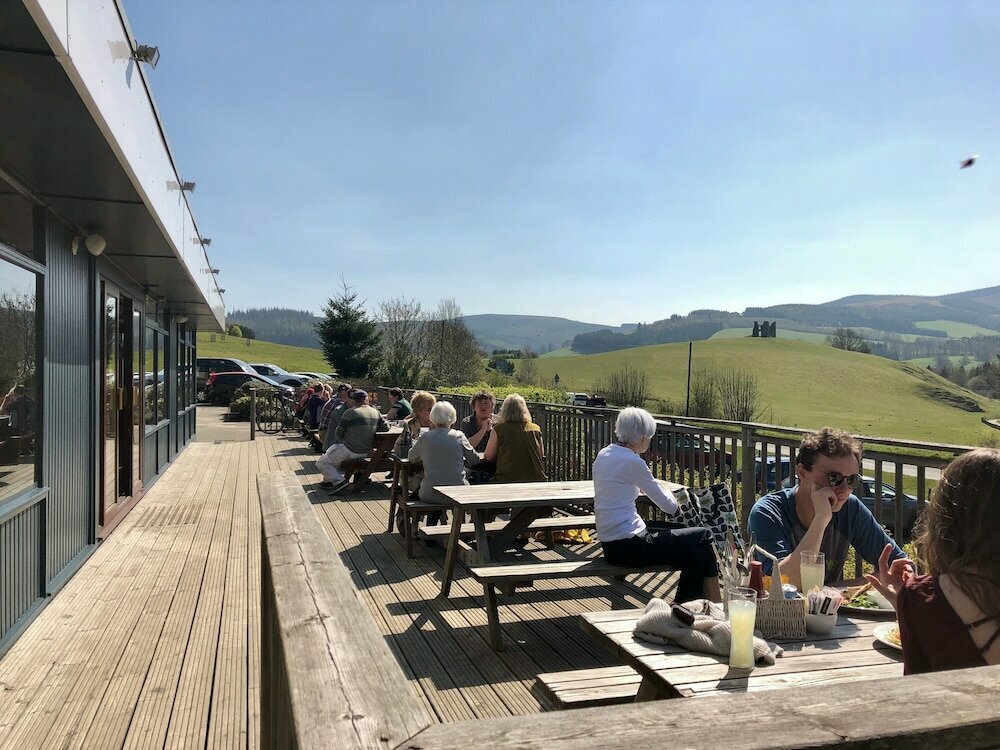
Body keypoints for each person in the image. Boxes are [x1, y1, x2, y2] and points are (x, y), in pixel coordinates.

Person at [866, 449, 1000, 675]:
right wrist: (905, 607)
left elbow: (919, 685)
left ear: (946, 518)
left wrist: (909, 605)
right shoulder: (919, 598)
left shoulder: (924, 597)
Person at [748, 427, 905, 590]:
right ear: (802, 472)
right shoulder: (768, 512)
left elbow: (901, 570)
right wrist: (821, 519)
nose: (844, 489)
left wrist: (836, 591)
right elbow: (781, 584)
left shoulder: (850, 509)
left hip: (829, 605)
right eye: (834, 478)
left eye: (852, 480)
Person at [594, 407, 720, 603]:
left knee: (696, 548)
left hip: (610, 544)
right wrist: (666, 490)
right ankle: (701, 605)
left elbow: (619, 487)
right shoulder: (633, 462)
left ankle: (689, 606)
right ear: (643, 437)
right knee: (702, 536)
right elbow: (669, 507)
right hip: (629, 546)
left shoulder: (604, 454)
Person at [407, 401, 479, 529]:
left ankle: (429, 529)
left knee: (434, 482)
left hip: (430, 494)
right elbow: (474, 460)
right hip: (457, 493)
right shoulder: (458, 436)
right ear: (452, 417)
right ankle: (461, 530)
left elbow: (411, 458)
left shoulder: (425, 437)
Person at [316, 389, 387, 493]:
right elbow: (386, 428)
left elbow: (338, 433)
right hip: (367, 451)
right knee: (332, 457)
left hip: (350, 450)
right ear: (366, 399)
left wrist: (344, 440)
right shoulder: (376, 412)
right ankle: (328, 482)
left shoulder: (349, 413)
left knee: (322, 462)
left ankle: (339, 481)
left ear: (354, 401)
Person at [484, 393, 546, 483]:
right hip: (535, 479)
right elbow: (540, 455)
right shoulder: (535, 429)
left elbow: (489, 456)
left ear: (504, 410)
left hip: (507, 479)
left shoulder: (499, 429)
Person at [460, 390, 496, 483]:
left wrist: (492, 431)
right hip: (473, 466)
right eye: (479, 403)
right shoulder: (467, 422)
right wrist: (483, 430)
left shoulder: (499, 422)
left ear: (492, 407)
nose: (483, 406)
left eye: (486, 403)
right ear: (473, 407)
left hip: (494, 465)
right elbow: (467, 445)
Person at [320, 383, 352, 452]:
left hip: (323, 430)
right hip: (326, 433)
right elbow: (342, 425)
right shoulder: (339, 404)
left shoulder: (335, 399)